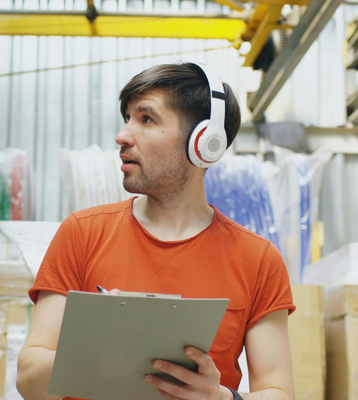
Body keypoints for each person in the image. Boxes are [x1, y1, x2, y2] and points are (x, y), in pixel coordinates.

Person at [16, 62, 295, 400]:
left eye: (146, 119)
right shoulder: (82, 234)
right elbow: (28, 380)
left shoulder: (258, 260)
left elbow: (278, 392)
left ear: (204, 142)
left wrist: (222, 398)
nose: (122, 136)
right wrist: (90, 346)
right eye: (127, 119)